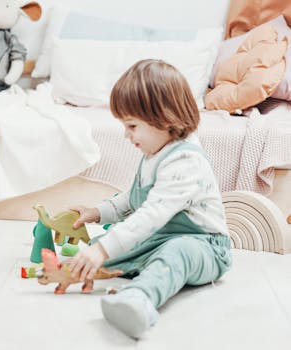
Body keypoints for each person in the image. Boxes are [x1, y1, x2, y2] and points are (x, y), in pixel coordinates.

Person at [68, 59, 232, 338]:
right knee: (117, 245)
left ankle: (140, 299)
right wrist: (97, 213)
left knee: (174, 253)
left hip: (206, 246)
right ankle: (88, 265)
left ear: (164, 119)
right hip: (165, 236)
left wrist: (104, 250)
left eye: (132, 126)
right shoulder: (153, 154)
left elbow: (152, 213)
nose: (125, 135)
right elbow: (133, 200)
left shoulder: (185, 160)